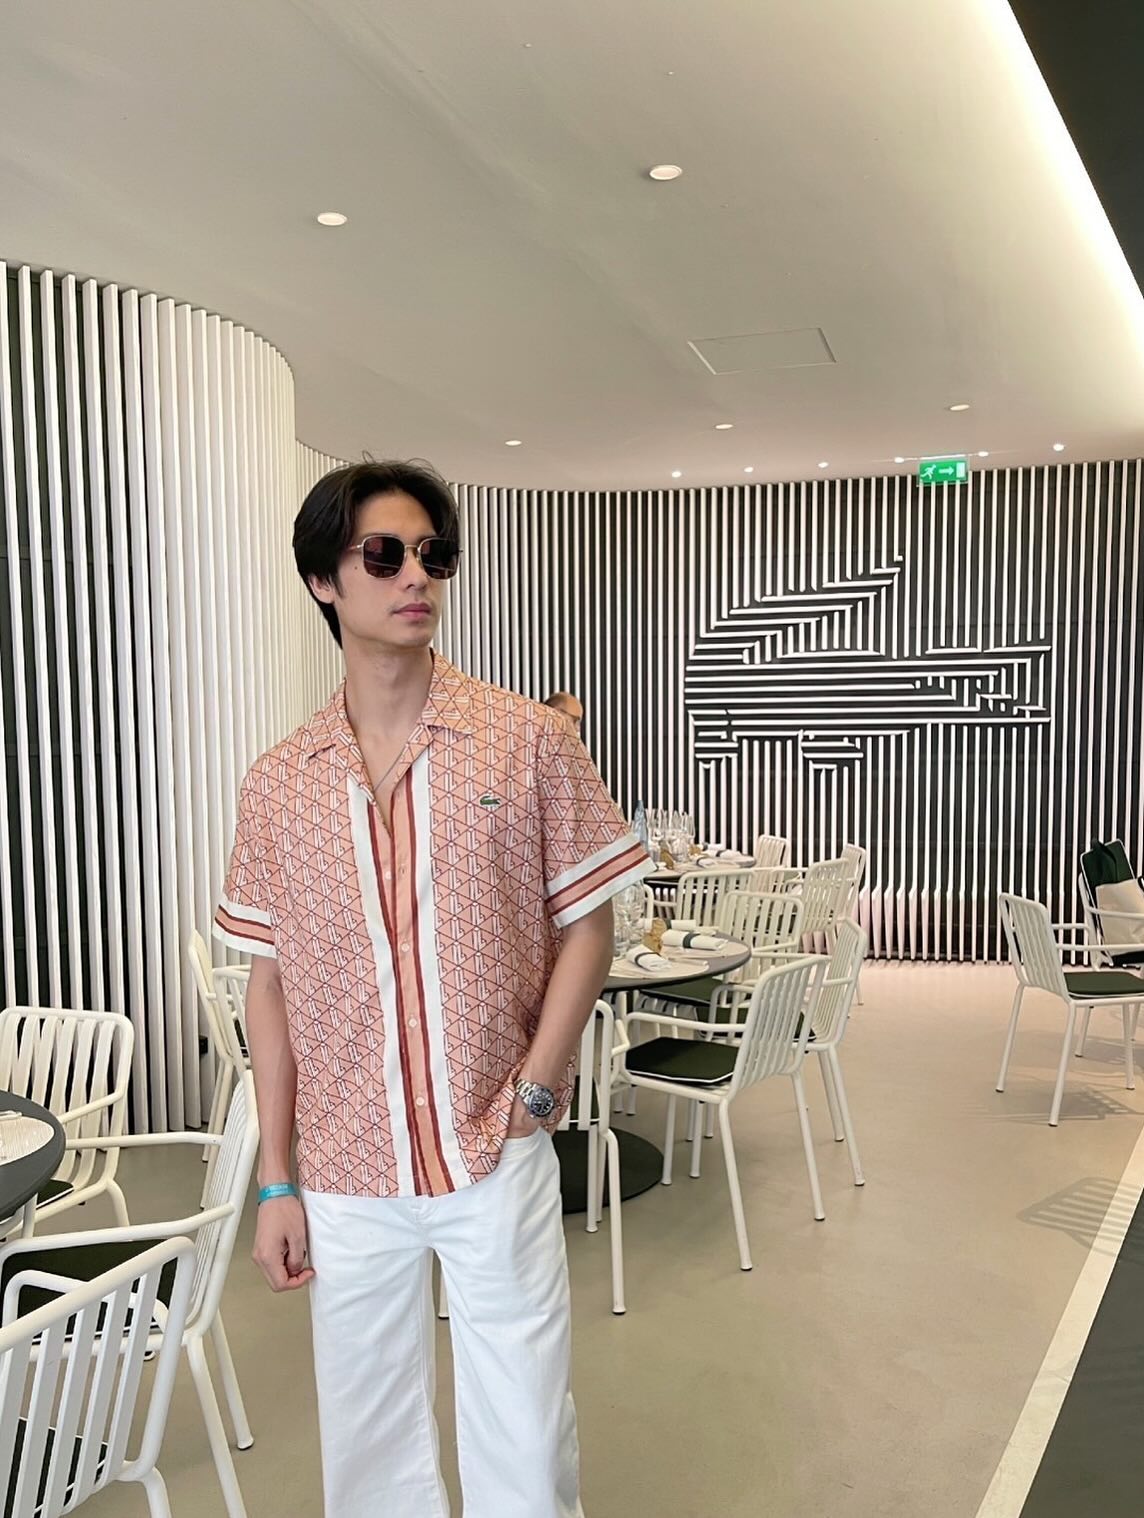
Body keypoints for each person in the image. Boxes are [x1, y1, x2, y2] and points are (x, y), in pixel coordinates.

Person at [215, 460, 650, 1518]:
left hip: (490, 1142)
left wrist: (536, 1091)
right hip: (347, 1167)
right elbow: (269, 986)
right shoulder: (278, 780)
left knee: (524, 1415)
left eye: (433, 553)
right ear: (324, 580)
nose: (416, 575)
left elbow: (587, 926)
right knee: (366, 1430)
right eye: (384, 554)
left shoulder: (528, 739)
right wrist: (276, 1180)